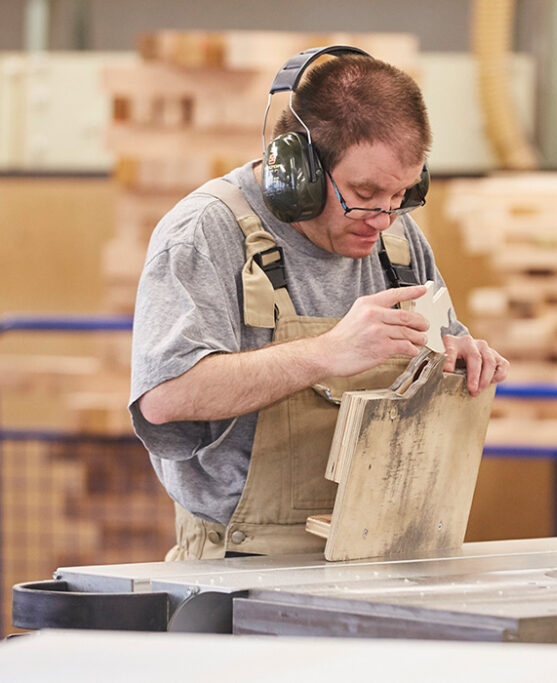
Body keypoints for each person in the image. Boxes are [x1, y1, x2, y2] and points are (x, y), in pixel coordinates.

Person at [129, 47, 508, 560]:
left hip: (379, 545)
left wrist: (461, 359)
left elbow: (440, 347)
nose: (382, 218)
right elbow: (165, 396)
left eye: (400, 196)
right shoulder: (206, 233)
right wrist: (325, 353)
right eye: (364, 192)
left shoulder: (399, 243)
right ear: (297, 170)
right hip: (248, 563)